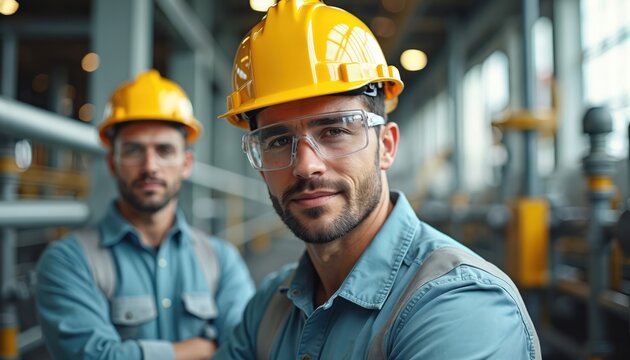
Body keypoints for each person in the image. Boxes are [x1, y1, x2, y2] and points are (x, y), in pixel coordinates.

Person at [213, 0, 541, 359]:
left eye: (334, 131)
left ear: (386, 146)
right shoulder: (268, 308)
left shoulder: (461, 307)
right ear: (259, 163)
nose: (306, 166)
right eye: (278, 141)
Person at [35, 70, 255, 360]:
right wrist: (201, 349)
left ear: (186, 164)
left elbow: (245, 350)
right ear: (112, 164)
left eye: (164, 150)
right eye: (134, 151)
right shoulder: (69, 261)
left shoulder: (221, 260)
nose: (150, 166)